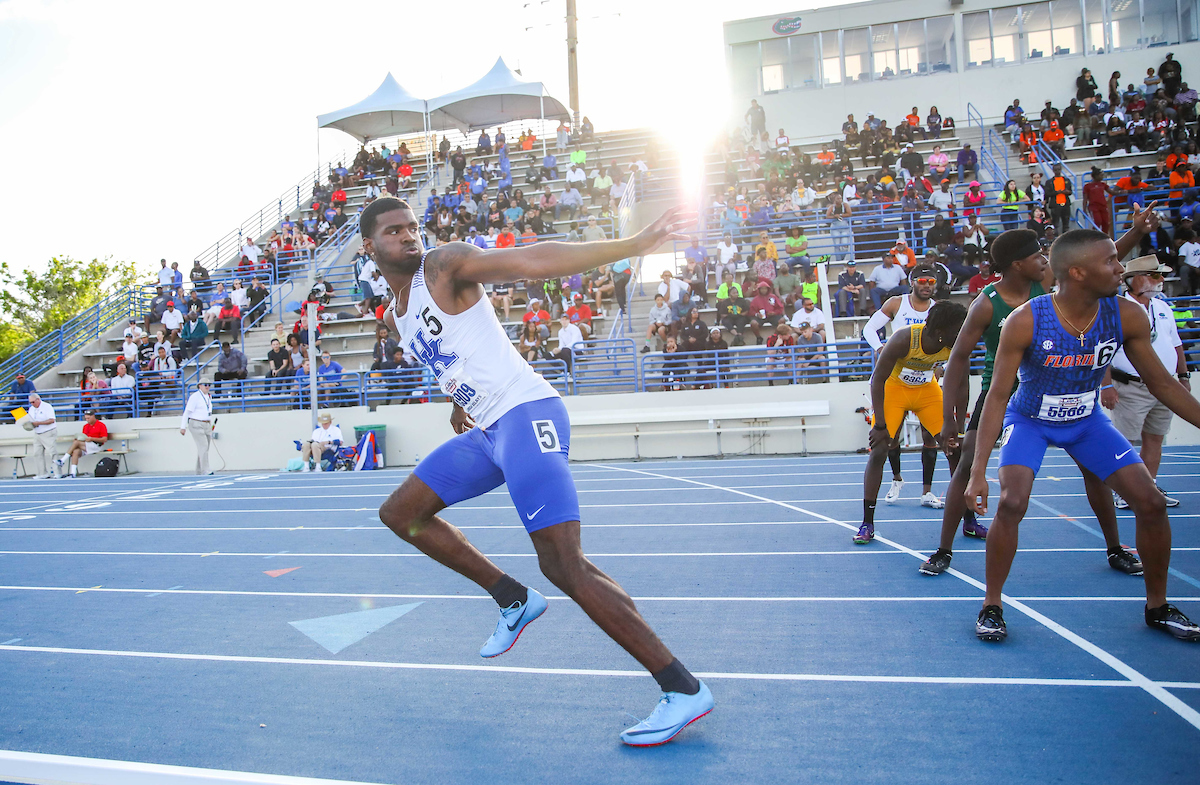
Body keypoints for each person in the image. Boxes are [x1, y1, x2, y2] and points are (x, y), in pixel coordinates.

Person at [359, 196, 712, 744]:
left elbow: (532, 260)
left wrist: (633, 246)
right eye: (394, 232)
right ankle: (512, 599)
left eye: (412, 227)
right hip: (491, 430)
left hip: (527, 415)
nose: (409, 237)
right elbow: (455, 354)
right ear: (370, 247)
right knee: (401, 513)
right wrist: (460, 403)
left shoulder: (443, 267)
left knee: (563, 564)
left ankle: (681, 688)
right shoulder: (395, 313)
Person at [966, 228, 1200, 643]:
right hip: (1031, 420)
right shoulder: (1025, 320)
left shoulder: (1126, 315)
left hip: (1087, 421)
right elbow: (998, 395)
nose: (1121, 267)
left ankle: (1158, 606)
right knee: (1011, 501)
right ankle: (991, 604)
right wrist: (978, 470)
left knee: (1151, 502)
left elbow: (1163, 385)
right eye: (1110, 261)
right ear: (1076, 272)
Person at [922, 229, 1139, 576]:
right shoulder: (986, 303)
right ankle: (943, 549)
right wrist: (952, 420)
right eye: (1038, 256)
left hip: (1052, 385)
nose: (1044, 260)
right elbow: (959, 359)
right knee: (967, 463)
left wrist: (1138, 232)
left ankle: (1115, 547)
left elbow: (1093, 263)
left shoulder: (1047, 279)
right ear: (1017, 264)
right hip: (1003, 390)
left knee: (1093, 470)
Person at [855, 303, 968, 544]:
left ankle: (969, 519)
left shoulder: (958, 342)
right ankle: (867, 522)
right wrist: (880, 426)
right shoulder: (904, 339)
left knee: (954, 449)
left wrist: (956, 426)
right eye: (958, 328)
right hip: (894, 390)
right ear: (941, 330)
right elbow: (878, 380)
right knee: (879, 451)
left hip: (927, 391)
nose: (963, 331)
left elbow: (961, 385)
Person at [1102, 255, 1188, 509]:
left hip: (1164, 385)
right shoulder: (1117, 309)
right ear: (1133, 280)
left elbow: (1176, 343)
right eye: (1154, 275)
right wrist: (1106, 385)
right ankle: (1123, 490)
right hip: (1130, 385)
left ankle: (1148, 485)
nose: (1160, 280)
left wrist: (1183, 376)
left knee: (1155, 438)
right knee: (1124, 442)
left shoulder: (1163, 307)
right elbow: (1104, 349)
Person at [861, 267, 942, 505]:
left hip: (925, 378)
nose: (927, 285)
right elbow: (868, 328)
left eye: (932, 281)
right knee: (891, 437)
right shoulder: (897, 303)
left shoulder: (937, 309)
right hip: (896, 378)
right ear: (912, 282)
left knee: (931, 436)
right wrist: (879, 348)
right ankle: (896, 480)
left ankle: (927, 491)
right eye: (923, 281)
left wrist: (941, 364)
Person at [179, 378, 214, 475]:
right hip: (196, 423)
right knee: (203, 446)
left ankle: (199, 470)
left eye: (209, 385)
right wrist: (183, 426)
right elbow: (187, 412)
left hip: (206, 423)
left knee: (204, 448)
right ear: (200, 386)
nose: (207, 386)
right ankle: (205, 469)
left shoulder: (208, 396)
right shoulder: (195, 397)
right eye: (205, 384)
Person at [61, 409, 107, 478]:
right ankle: (73, 473)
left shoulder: (101, 425)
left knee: (76, 443)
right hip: (87, 445)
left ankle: (63, 460)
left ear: (93, 416)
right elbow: (84, 437)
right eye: (86, 418)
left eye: (88, 418)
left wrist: (92, 439)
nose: (87, 420)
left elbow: (104, 439)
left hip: (96, 445)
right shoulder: (86, 426)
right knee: (76, 451)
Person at [26, 391, 58, 479]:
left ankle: (57, 472)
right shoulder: (31, 409)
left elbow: (52, 420)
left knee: (52, 452)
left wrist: (39, 423)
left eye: (33, 402)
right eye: (30, 402)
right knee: (37, 453)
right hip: (37, 433)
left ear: (38, 399)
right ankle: (42, 473)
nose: (32, 404)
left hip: (48, 431)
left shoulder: (47, 406)